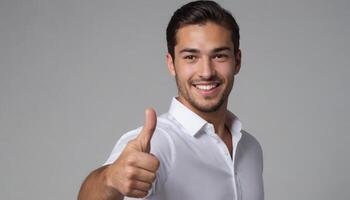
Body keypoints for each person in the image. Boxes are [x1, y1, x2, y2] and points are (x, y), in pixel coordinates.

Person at [78, 1, 264, 200]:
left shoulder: (251, 148)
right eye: (191, 57)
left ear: (237, 61)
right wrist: (110, 179)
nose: (206, 72)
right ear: (171, 63)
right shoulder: (156, 144)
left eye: (219, 56)